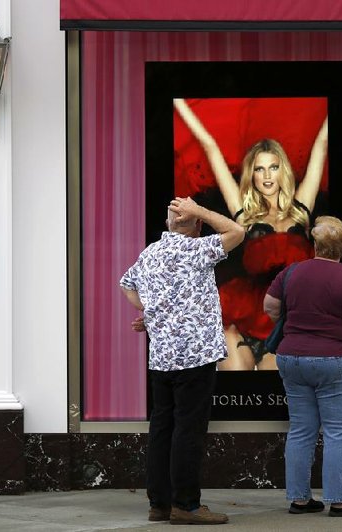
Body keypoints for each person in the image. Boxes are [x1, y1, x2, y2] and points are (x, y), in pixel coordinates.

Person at [174, 98, 329, 370]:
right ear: (252, 175)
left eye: (273, 167)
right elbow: (210, 147)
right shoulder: (243, 214)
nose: (267, 175)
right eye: (259, 168)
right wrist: (177, 101)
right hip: (242, 317)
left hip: (289, 324)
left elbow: (321, 144)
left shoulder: (302, 208)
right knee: (234, 389)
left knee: (275, 397)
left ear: (284, 170)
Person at [120, 197, 244, 525]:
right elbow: (238, 231)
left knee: (163, 428)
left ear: (167, 223)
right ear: (197, 224)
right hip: (195, 354)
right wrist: (200, 210)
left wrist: (150, 312)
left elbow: (127, 286)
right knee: (188, 429)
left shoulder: (149, 254)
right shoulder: (197, 249)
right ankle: (186, 505)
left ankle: (159, 503)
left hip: (161, 356)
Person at [263, 216, 342, 518]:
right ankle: (340, 501)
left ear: (315, 245)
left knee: (301, 429)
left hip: (291, 359)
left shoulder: (291, 272)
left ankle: (300, 500)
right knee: (338, 431)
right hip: (336, 362)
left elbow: (270, 307)